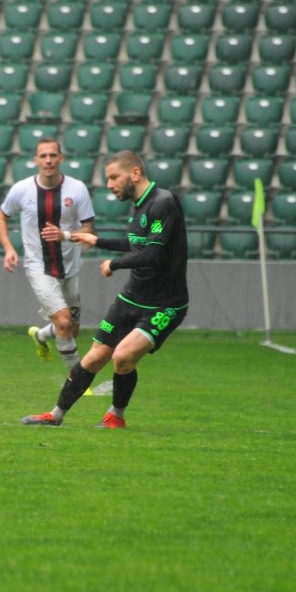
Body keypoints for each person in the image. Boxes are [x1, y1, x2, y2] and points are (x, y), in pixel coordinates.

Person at [22, 150, 189, 429]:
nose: (109, 185)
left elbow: (153, 255)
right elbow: (136, 244)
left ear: (135, 173)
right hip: (132, 297)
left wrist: (115, 263)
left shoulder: (163, 202)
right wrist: (96, 241)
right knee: (95, 355)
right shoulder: (140, 205)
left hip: (165, 304)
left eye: (113, 177)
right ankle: (55, 415)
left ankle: (116, 416)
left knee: (122, 356)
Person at [0, 137, 96, 371]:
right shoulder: (22, 189)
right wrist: (9, 248)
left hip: (70, 266)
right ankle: (77, 381)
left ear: (61, 158)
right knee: (63, 322)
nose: (48, 160)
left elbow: (88, 229)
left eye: (52, 155)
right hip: (39, 267)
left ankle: (40, 335)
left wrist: (65, 236)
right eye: (43, 156)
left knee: (72, 329)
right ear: (36, 160)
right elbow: (1, 218)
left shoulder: (77, 189)